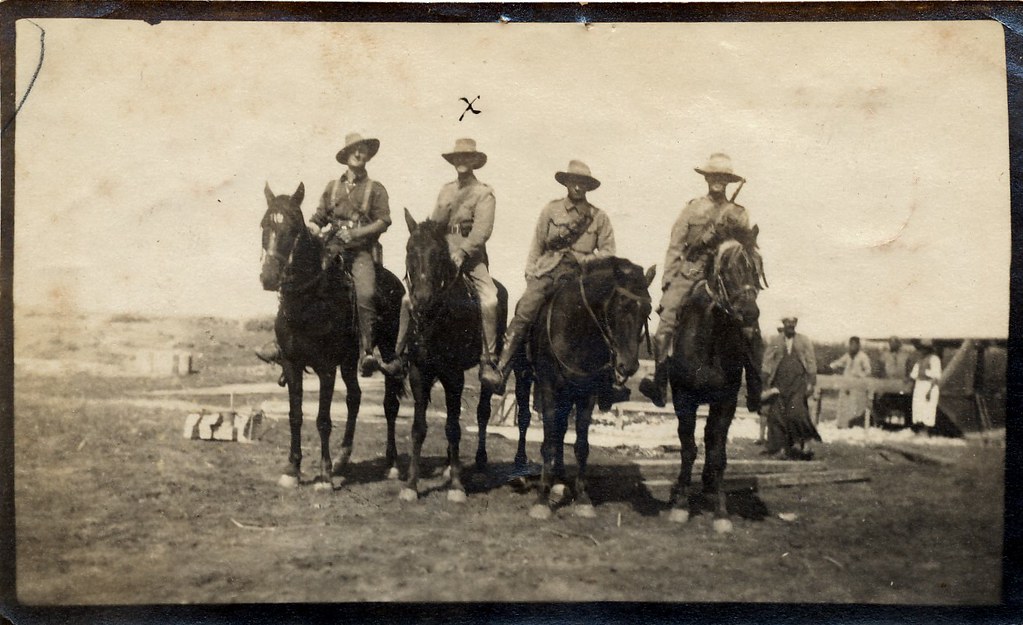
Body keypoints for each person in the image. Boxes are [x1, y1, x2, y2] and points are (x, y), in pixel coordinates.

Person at [256, 132, 392, 377]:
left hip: (360, 252)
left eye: (362, 150)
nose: (359, 154)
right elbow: (319, 217)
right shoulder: (333, 187)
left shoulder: (376, 188)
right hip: (331, 248)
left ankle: (367, 351)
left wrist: (358, 233)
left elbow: (383, 221)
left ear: (367, 155)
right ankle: (284, 345)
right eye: (354, 150)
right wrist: (313, 228)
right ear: (347, 156)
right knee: (297, 279)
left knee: (367, 291)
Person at [483, 160, 617, 396]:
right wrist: (531, 272)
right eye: (574, 182)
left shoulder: (599, 217)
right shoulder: (550, 210)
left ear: (588, 186)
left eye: (583, 183)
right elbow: (537, 244)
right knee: (525, 309)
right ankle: (502, 367)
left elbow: (608, 252)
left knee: (607, 316)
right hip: (549, 271)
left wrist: (585, 259)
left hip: (581, 277)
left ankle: (611, 378)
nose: (578, 187)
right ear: (566, 183)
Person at [639, 153, 761, 408]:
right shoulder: (691, 209)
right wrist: (669, 282)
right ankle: (660, 381)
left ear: (728, 181)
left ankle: (755, 388)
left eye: (723, 177)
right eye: (713, 176)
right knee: (667, 321)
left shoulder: (738, 213)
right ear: (707, 178)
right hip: (692, 272)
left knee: (750, 323)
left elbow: (744, 249)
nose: (717, 181)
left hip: (726, 276)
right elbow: (675, 247)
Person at [380, 139, 501, 387]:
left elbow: (482, 231)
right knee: (408, 299)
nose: (461, 161)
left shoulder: (484, 193)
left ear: (474, 161)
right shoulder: (446, 190)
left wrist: (464, 252)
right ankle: (399, 357)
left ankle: (488, 361)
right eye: (458, 157)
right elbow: (435, 225)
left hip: (470, 257)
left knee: (490, 299)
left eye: (467, 157)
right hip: (441, 256)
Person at [760, 316, 820, 460]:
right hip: (779, 384)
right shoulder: (775, 341)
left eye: (793, 323)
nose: (790, 325)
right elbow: (767, 361)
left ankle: (804, 445)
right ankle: (779, 449)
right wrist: (764, 380)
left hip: (798, 384)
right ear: (783, 324)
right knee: (776, 414)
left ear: (796, 324)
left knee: (797, 413)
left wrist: (812, 382)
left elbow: (811, 361)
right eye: (788, 323)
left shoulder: (804, 340)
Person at [830, 336, 873, 428]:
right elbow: (838, 363)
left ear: (858, 345)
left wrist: (859, 375)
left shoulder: (863, 357)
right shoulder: (848, 355)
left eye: (854, 344)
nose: (852, 347)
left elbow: (868, 371)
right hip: (846, 385)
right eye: (850, 344)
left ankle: (854, 425)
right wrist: (830, 366)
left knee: (855, 407)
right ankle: (842, 425)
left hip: (857, 387)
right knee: (843, 405)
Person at [910, 339, 942, 432]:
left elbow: (936, 377)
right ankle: (919, 430)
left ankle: (926, 431)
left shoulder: (934, 359)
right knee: (918, 409)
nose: (921, 351)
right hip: (919, 385)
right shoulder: (920, 360)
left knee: (928, 410)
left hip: (929, 385)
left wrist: (929, 391)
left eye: (923, 349)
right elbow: (914, 375)